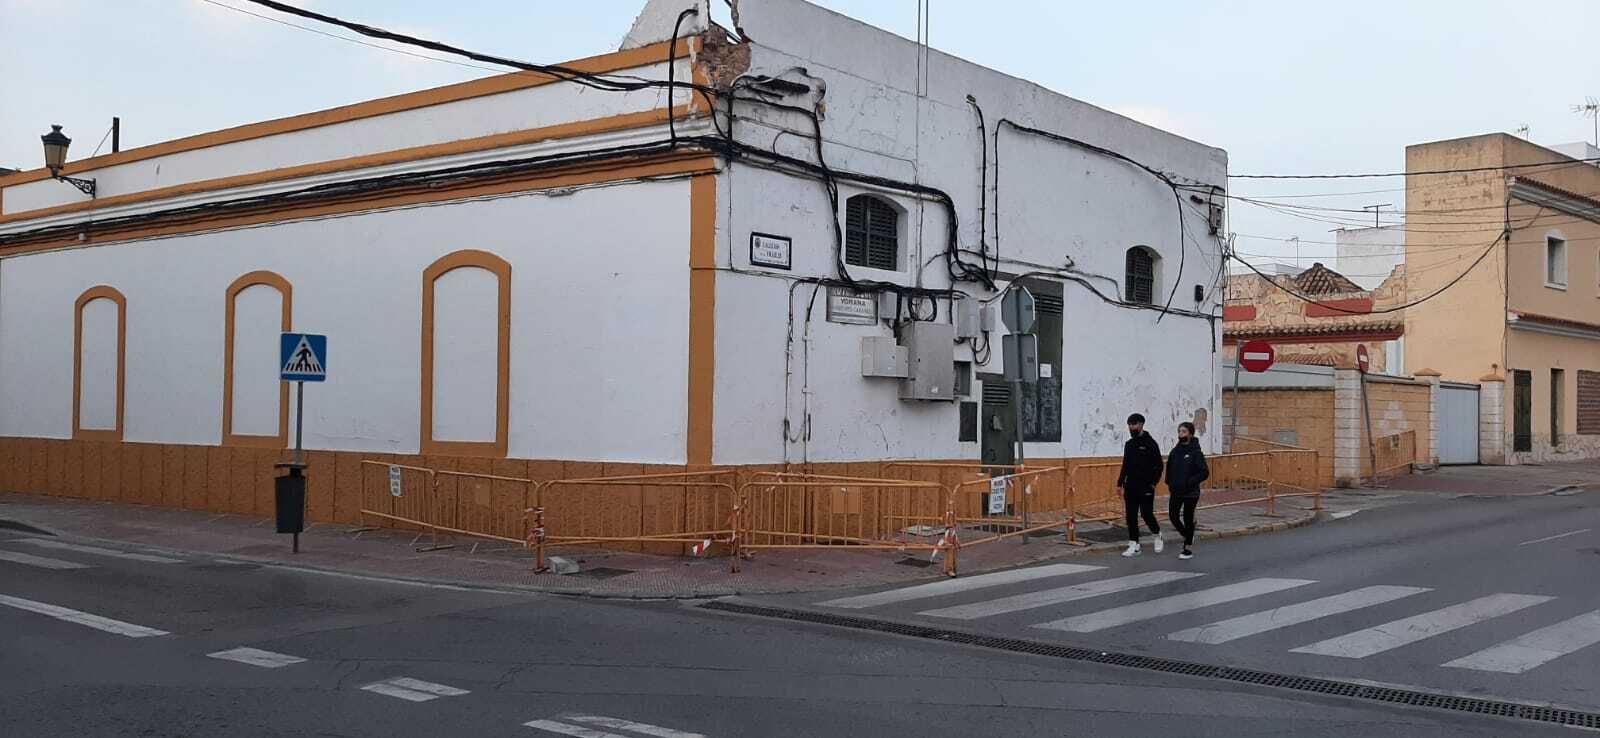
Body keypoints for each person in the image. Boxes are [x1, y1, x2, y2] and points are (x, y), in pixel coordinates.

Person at [1117, 413, 1164, 557]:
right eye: (1130, 425)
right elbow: (1125, 465)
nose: (1132, 427)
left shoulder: (1151, 443)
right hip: (1130, 485)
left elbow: (1159, 465)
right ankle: (1134, 544)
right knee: (1130, 516)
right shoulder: (1129, 444)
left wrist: (1153, 483)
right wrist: (1120, 483)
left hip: (1146, 486)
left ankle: (1157, 534)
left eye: (1134, 424)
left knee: (1146, 513)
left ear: (1141, 424)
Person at [1165, 421, 1209, 560]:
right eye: (1179, 431)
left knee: (1187, 518)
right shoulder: (1175, 451)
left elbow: (1204, 472)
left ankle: (1187, 548)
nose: (1180, 434)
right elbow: (1169, 468)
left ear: (1190, 434)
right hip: (1176, 490)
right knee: (1173, 516)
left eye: (1183, 431)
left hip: (1191, 492)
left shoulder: (1196, 452)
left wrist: (1190, 482)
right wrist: (1169, 483)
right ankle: (1188, 535)